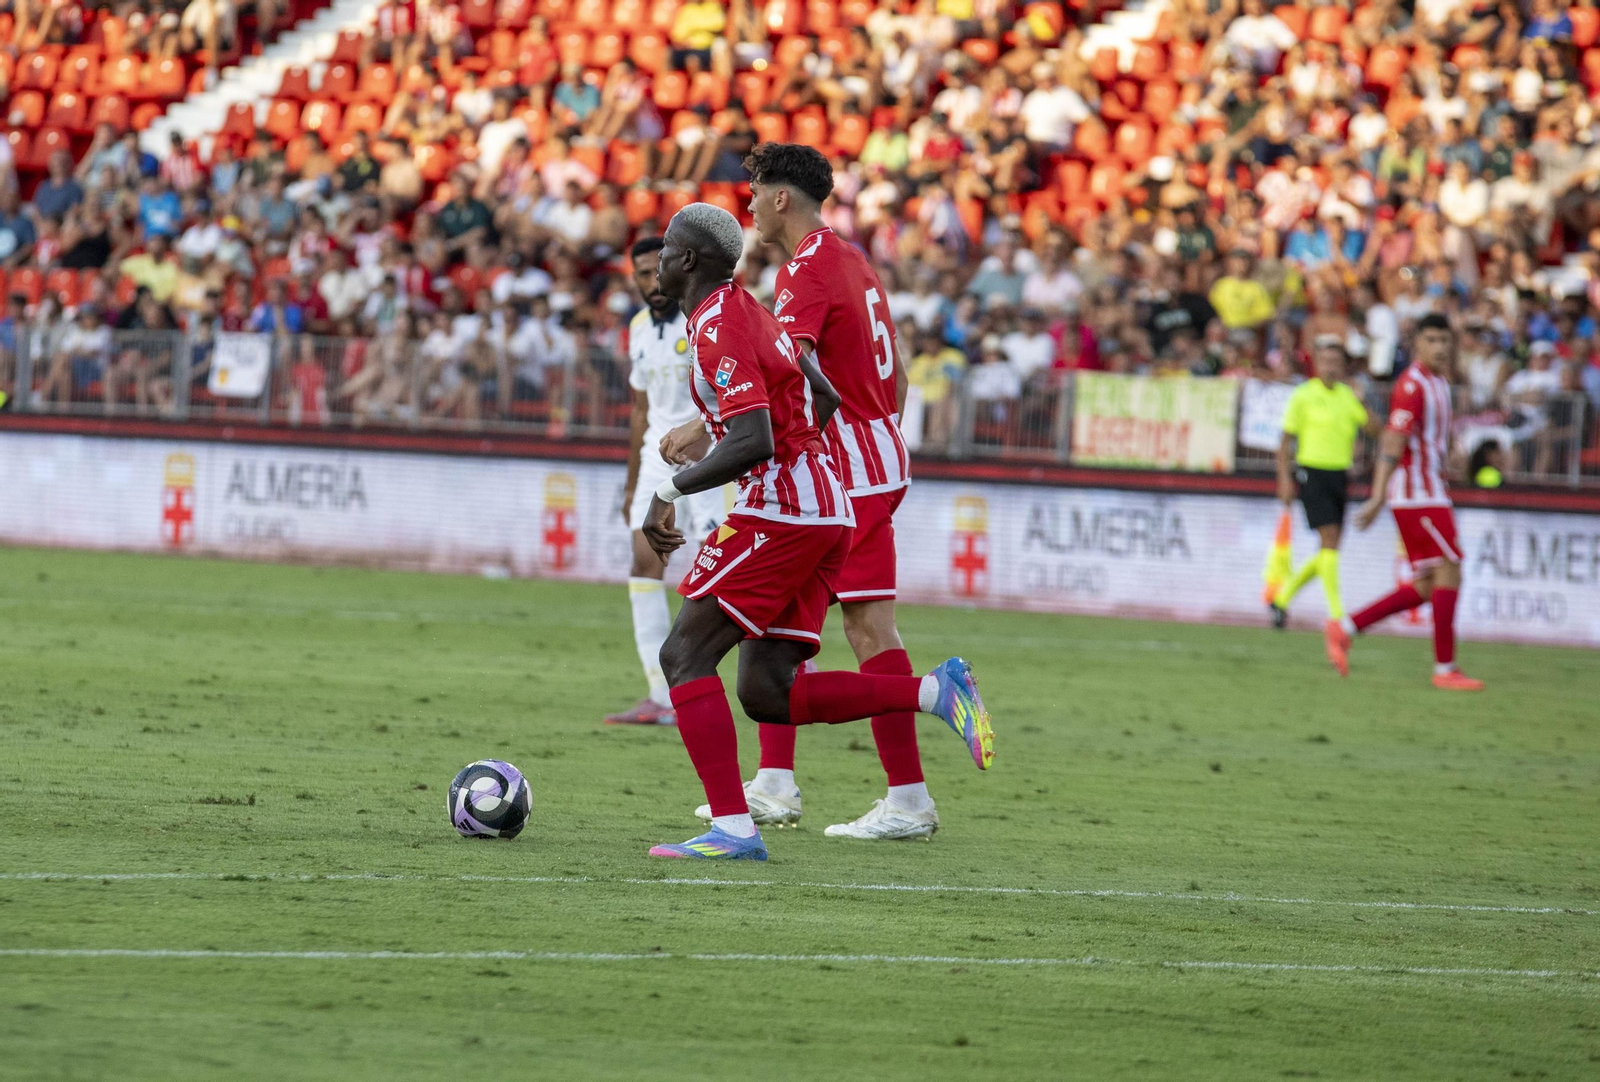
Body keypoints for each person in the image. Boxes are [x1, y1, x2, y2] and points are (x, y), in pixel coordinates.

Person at [641, 203, 993, 860]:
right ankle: (933, 691)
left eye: (664, 249)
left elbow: (754, 437)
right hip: (825, 503)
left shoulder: (720, 324)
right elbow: (821, 395)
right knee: (767, 691)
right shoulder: (753, 312)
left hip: (782, 511)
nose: (656, 260)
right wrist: (785, 446)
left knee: (683, 655)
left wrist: (666, 493)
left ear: (687, 261)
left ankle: (735, 829)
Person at [706, 142, 938, 841]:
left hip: (846, 469)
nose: (746, 203)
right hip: (873, 457)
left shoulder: (804, 273)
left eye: (755, 191)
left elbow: (790, 375)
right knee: (799, 617)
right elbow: (895, 374)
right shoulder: (851, 258)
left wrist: (704, 427)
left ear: (782, 199)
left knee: (856, 626)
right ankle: (775, 785)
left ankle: (908, 798)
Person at [605, 236, 729, 727]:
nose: (650, 283)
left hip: (713, 453)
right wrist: (635, 483)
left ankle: (795, 665)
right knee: (643, 561)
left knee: (731, 567)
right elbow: (640, 411)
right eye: (639, 275)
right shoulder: (637, 328)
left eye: (655, 272)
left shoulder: (704, 319)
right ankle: (663, 697)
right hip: (658, 456)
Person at [1326, 314, 1484, 691]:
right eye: (1432, 340)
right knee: (1451, 567)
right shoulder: (1412, 385)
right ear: (1417, 345)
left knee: (1429, 584)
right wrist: (1379, 494)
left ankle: (1345, 628)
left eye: (1445, 340)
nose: (1440, 347)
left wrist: (1453, 457)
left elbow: (1430, 438)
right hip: (1417, 494)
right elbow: (1393, 440)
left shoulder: (1439, 382)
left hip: (1432, 489)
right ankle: (1445, 669)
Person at [1270, 336, 1380, 628]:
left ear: (1343, 366)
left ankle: (1281, 600)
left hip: (1339, 475)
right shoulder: (1303, 395)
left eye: (1336, 362)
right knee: (1329, 541)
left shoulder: (1348, 397)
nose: (1331, 367)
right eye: (1326, 361)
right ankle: (1336, 614)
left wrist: (1361, 401)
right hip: (1312, 472)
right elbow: (1284, 443)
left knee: (1328, 548)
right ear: (1316, 364)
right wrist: (1284, 479)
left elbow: (1375, 429)